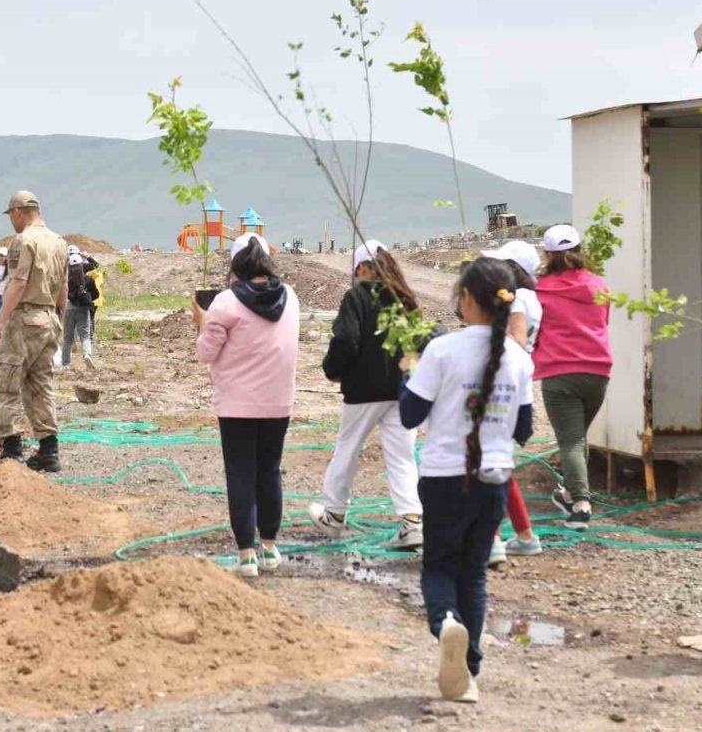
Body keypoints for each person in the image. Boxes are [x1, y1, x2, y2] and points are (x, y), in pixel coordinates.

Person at [399, 256, 534, 704]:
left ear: (469, 300)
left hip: (444, 477)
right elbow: (524, 429)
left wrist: (407, 373)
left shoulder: (442, 350)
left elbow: (410, 415)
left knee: (439, 566)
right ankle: (469, 673)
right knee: (474, 574)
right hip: (494, 479)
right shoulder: (519, 358)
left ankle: (445, 623)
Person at [194, 233, 300, 578]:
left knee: (240, 473)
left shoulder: (224, 303)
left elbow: (206, 353)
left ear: (236, 265)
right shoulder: (291, 297)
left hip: (236, 405)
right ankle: (269, 548)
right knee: (269, 471)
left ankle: (246, 556)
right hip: (278, 401)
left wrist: (202, 322)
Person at [309, 240, 424, 550]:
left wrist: (333, 369)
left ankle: (334, 514)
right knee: (402, 456)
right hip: (403, 390)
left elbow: (346, 339)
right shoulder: (404, 297)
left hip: (364, 391)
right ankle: (412, 522)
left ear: (361, 267)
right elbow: (418, 343)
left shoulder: (357, 296)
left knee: (347, 448)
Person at [535, 224, 611, 532]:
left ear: (548, 255)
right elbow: (604, 321)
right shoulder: (599, 285)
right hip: (598, 372)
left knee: (571, 441)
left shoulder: (542, 290)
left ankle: (580, 506)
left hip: (559, 374)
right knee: (578, 437)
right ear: (580, 250)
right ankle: (568, 492)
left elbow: (534, 330)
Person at [0, 191, 68, 472]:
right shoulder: (59, 242)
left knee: (7, 383)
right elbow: (64, 286)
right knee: (40, 385)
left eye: (11, 215)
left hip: (25, 319)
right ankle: (49, 450)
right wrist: (59, 318)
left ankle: (12, 449)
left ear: (18, 212)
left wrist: (0, 320)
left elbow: (19, 282)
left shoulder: (23, 241)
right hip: (49, 318)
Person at [480, 240, 544, 566]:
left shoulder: (516, 299)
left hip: (500, 378)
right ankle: (524, 536)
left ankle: (491, 539)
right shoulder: (533, 298)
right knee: (498, 461)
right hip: (516, 380)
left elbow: (516, 338)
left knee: (484, 459)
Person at [61, 254, 99, 370]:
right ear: (81, 265)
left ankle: (66, 364)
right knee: (85, 336)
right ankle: (87, 355)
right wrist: (87, 297)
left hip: (69, 308)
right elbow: (96, 295)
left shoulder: (65, 279)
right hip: (83, 308)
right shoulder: (88, 279)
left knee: (67, 339)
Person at [84, 253, 105, 337]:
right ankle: (91, 335)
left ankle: (90, 335)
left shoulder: (90, 274)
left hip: (91, 297)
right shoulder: (100, 274)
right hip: (98, 298)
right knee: (92, 317)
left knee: (89, 317)